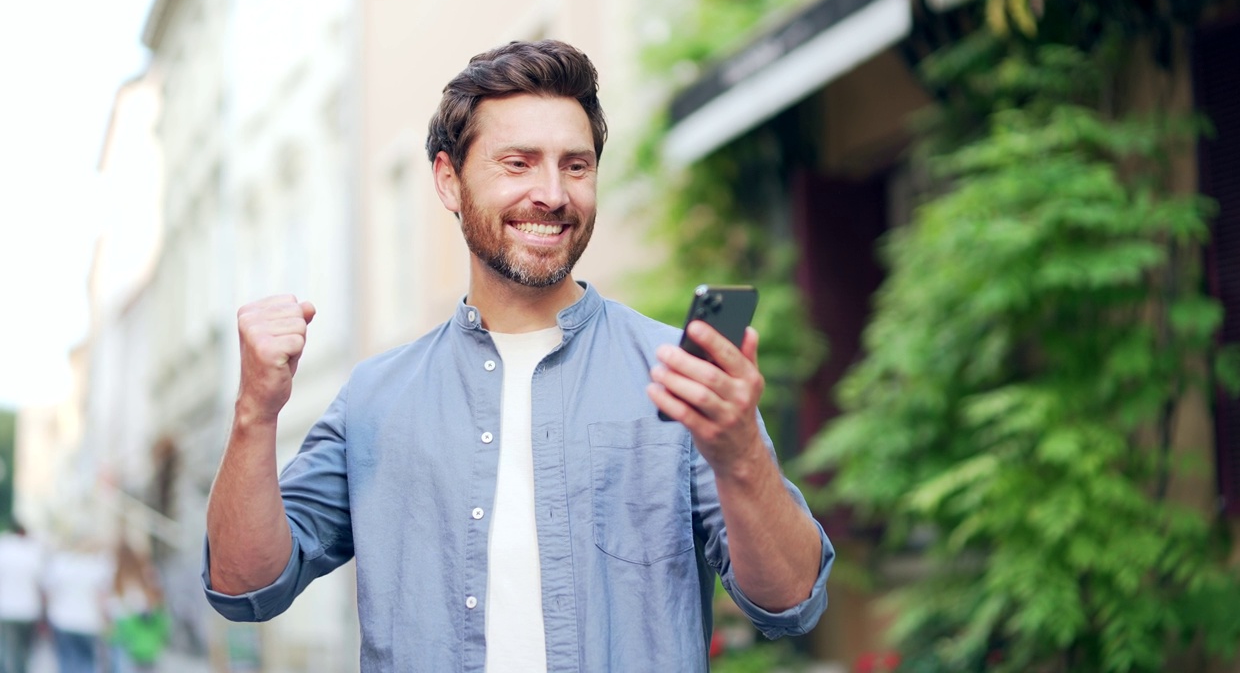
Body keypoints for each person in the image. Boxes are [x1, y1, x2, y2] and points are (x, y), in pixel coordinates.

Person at [203, 39, 834, 672]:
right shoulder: (375, 398)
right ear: (449, 180)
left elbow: (791, 602)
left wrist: (741, 456)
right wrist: (255, 412)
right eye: (519, 163)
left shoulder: (679, 373)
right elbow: (244, 586)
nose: (553, 194)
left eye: (576, 166)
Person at [43, 538, 113, 673]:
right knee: (87, 662)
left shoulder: (61, 564)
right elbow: (102, 598)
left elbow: (49, 593)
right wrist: (107, 619)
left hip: (62, 620)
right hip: (88, 622)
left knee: (66, 661)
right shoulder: (95, 566)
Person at [106, 543, 169, 673]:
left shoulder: (117, 575)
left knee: (121, 665)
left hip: (123, 628)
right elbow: (155, 602)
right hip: (136, 629)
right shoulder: (143, 574)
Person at [0, 523, 44, 673]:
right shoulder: (33, 552)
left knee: (6, 650)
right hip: (28, 609)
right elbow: (41, 584)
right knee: (24, 651)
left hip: (5, 609)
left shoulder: (3, 549)